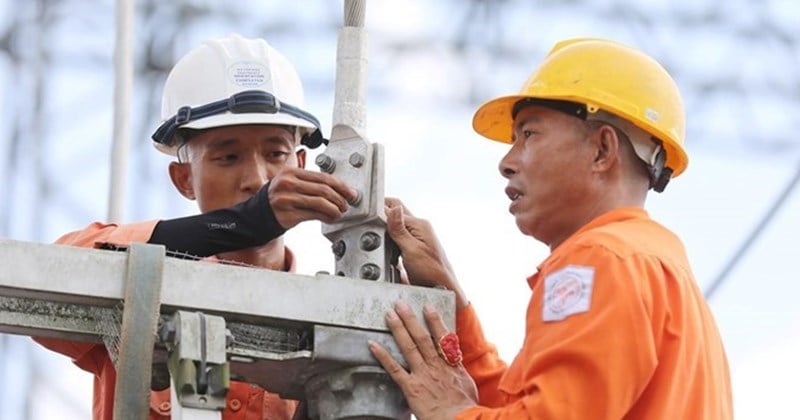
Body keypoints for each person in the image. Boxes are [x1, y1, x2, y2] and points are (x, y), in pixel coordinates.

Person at [368, 38, 733, 419]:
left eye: (529, 134)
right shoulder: (652, 268)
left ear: (602, 151)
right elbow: (527, 409)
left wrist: (451, 413)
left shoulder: (599, 260)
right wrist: (451, 305)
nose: (506, 163)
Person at [34, 34, 357, 420]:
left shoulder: (328, 321)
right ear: (184, 179)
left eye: (276, 154)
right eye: (227, 157)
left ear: (300, 166)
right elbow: (44, 280)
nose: (257, 178)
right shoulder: (138, 285)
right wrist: (242, 224)